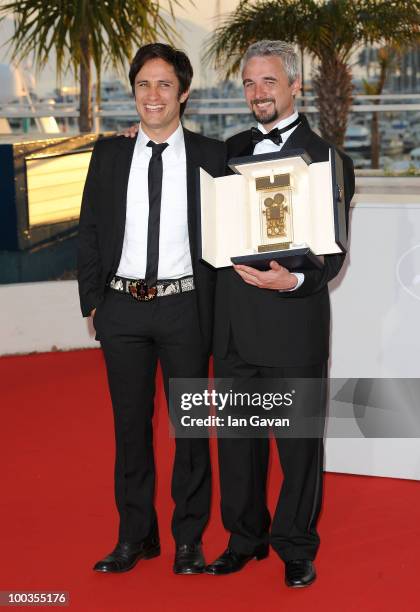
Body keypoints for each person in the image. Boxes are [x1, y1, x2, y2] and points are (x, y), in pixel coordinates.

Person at [204, 40, 355, 587]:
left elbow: (334, 253)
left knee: (297, 446)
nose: (258, 92)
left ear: (295, 86)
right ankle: (244, 540)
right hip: (236, 325)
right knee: (238, 446)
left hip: (294, 322)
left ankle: (295, 545)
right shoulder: (223, 152)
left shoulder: (331, 157)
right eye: (248, 83)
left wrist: (290, 279)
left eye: (269, 81)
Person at [77, 43, 226, 575]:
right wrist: (93, 301)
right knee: (129, 429)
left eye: (165, 84)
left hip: (185, 307)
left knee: (189, 429)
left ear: (184, 93)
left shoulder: (213, 155)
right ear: (133, 92)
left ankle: (188, 539)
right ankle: (135, 537)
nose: (153, 94)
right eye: (144, 84)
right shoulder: (110, 153)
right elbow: (90, 229)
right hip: (123, 310)